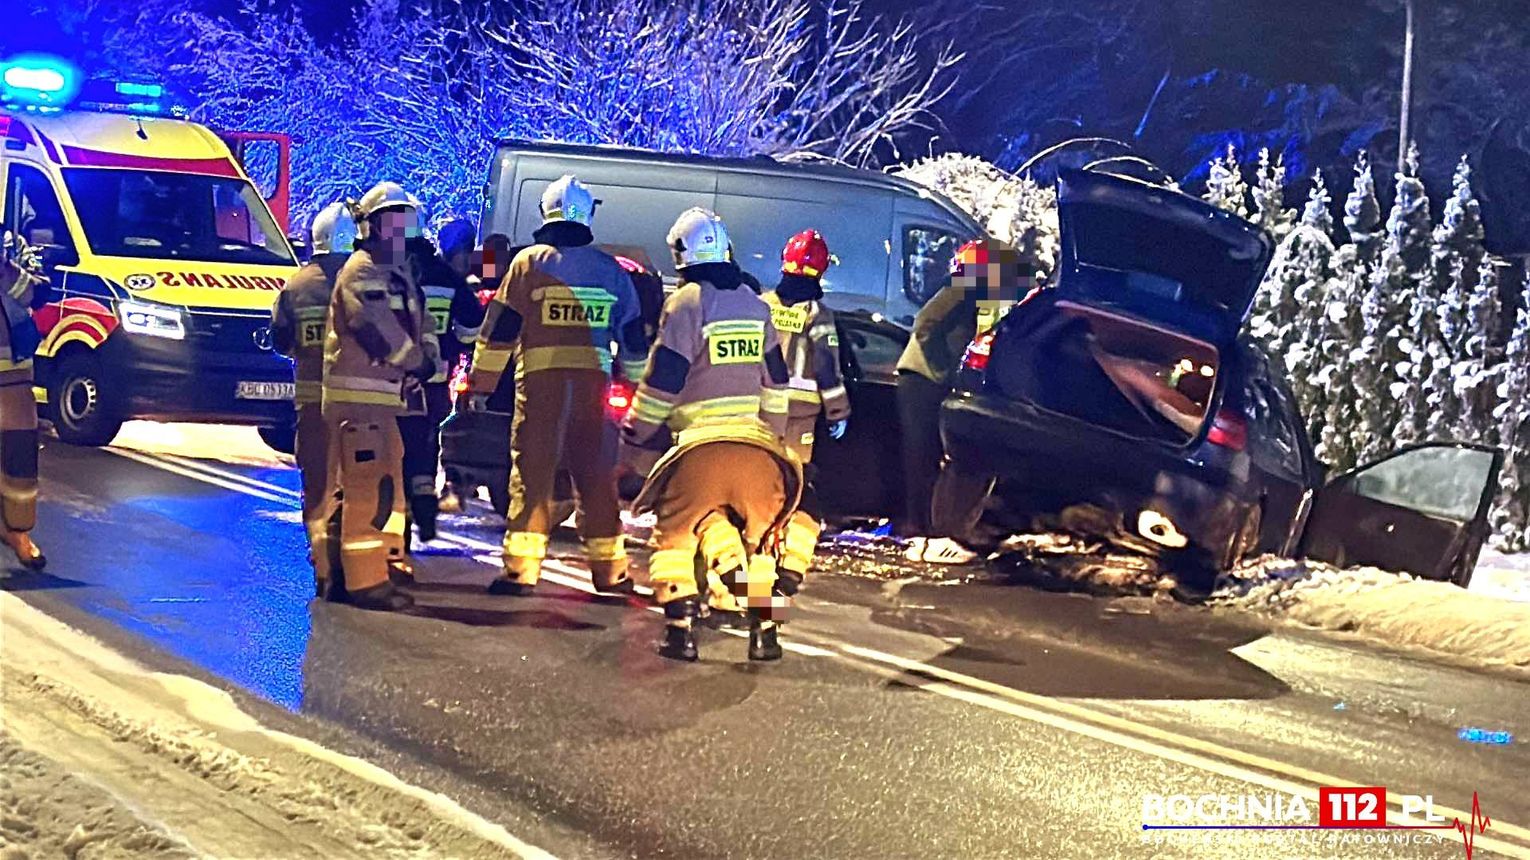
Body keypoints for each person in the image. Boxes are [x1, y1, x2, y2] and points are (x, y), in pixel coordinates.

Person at [622, 207, 799, 662]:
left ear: (681, 254)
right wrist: (773, 440)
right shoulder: (757, 306)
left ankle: (680, 632)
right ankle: (765, 631)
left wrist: (637, 430)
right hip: (756, 450)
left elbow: (665, 379)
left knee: (676, 537)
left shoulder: (687, 304)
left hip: (699, 450)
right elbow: (777, 384)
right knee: (752, 543)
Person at [466, 175, 649, 596]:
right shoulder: (611, 272)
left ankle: (521, 572)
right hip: (594, 396)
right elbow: (635, 340)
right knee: (597, 479)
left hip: (540, 391)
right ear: (588, 215)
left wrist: (480, 385)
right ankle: (610, 574)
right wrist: (639, 391)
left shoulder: (528, 264)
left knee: (532, 477)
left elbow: (501, 330)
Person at [320, 181, 434, 611]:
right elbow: (376, 328)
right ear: (371, 227)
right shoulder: (362, 271)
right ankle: (364, 583)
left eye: (406, 223)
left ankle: (343, 573)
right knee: (368, 490)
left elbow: (418, 325)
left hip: (384, 401)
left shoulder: (398, 273)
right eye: (393, 223)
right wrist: (414, 361)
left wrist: (429, 360)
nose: (401, 232)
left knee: (367, 489)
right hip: (360, 401)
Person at [895, 239, 1026, 564]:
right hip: (922, 380)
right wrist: (942, 368)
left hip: (928, 381)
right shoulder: (961, 286)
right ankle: (917, 529)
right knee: (921, 456)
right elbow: (925, 322)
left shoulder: (971, 291)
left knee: (927, 455)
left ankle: (922, 527)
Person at [270, 202, 356, 592]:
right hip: (360, 402)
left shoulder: (296, 286)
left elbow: (281, 340)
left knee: (319, 483)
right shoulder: (365, 279)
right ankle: (359, 560)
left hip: (312, 402)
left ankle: (322, 561)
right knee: (358, 481)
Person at [760, 229, 850, 596]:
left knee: (762, 487)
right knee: (796, 489)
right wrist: (838, 411)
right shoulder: (818, 315)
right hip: (800, 417)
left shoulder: (762, 304)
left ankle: (755, 567)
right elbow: (828, 368)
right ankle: (791, 567)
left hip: (761, 410)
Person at [399, 224, 483, 541]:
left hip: (392, 380)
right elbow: (472, 325)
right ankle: (424, 512)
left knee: (393, 450)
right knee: (425, 444)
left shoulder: (388, 272)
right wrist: (455, 347)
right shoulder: (448, 279)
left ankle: (399, 527)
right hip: (434, 380)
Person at [0, 232, 48, 570]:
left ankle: (17, 532)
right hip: (11, 377)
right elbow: (33, 292)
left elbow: (32, 293)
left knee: (19, 458)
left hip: (11, 378)